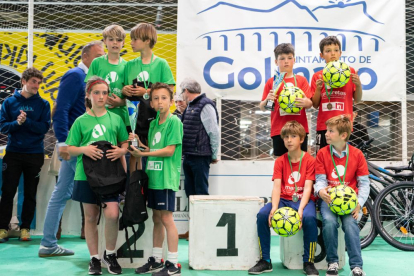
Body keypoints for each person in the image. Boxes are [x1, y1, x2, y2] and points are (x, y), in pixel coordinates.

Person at [39, 41, 105, 257]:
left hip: (81, 145)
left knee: (63, 192)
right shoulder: (75, 75)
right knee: (63, 193)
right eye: (98, 55)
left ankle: (48, 243)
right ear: (85, 56)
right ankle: (48, 243)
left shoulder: (88, 79)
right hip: (74, 146)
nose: (102, 60)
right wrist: (63, 143)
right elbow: (61, 110)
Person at [66, 76, 129, 275]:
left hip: (110, 175)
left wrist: (121, 151)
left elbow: (125, 143)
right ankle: (94, 258)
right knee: (91, 217)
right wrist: (84, 149)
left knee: (112, 214)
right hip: (85, 176)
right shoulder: (80, 121)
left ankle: (110, 254)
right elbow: (70, 149)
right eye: (96, 93)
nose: (101, 97)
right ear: (88, 95)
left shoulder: (116, 119)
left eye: (104, 93)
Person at [248, 121, 318, 276]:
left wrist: (300, 210)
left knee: (309, 218)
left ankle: (309, 262)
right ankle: (265, 260)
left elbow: (308, 188)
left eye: (293, 136)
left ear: (301, 139)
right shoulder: (280, 161)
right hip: (284, 199)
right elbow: (277, 187)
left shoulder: (310, 160)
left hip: (303, 201)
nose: (289, 140)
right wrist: (273, 207)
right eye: (286, 137)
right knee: (262, 215)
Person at [130, 83, 183, 276]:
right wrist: (138, 144)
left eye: (163, 98)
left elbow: (169, 151)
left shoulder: (174, 122)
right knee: (156, 218)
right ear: (151, 103)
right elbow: (151, 149)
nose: (159, 102)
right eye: (155, 98)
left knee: (167, 218)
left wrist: (145, 154)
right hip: (152, 177)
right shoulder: (153, 124)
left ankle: (174, 264)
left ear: (171, 101)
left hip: (166, 178)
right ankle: (156, 259)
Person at [314, 115, 369, 276]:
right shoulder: (323, 154)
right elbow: (320, 180)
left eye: (331, 131)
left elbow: (364, 184)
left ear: (343, 135)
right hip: (329, 199)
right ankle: (332, 262)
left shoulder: (357, 154)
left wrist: (359, 203)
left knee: (350, 225)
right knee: (329, 222)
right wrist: (321, 191)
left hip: (349, 202)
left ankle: (357, 266)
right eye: (327, 130)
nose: (326, 134)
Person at [0, 67, 51, 242]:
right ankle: (2, 228)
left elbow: (44, 129)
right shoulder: (8, 103)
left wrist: (26, 122)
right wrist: (16, 123)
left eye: (38, 82)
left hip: (34, 154)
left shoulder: (43, 104)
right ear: (23, 81)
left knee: (30, 193)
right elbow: (3, 127)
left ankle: (25, 228)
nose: (36, 85)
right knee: (7, 191)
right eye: (33, 82)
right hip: (13, 153)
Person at [178, 78, 219, 240]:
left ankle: (203, 231)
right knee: (191, 194)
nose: (182, 95)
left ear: (186, 91)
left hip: (200, 157)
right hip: (190, 155)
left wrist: (214, 154)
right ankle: (194, 229)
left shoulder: (205, 105)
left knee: (200, 193)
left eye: (182, 92)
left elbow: (213, 131)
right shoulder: (192, 106)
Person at [258, 43, 313, 157]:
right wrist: (267, 100)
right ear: (276, 62)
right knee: (281, 165)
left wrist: (306, 102)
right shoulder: (272, 82)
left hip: (300, 130)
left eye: (289, 58)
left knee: (300, 165)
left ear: (294, 60)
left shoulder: (301, 80)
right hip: (279, 130)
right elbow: (263, 107)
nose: (286, 61)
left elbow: (310, 103)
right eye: (282, 58)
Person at [311, 36, 363, 153]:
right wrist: (318, 89)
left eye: (336, 50)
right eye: (328, 51)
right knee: (323, 161)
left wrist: (358, 85)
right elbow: (315, 104)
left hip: (344, 127)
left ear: (340, 53)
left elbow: (358, 99)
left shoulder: (350, 72)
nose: (332, 54)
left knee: (344, 163)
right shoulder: (317, 76)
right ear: (322, 55)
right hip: (324, 127)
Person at [85, 24, 129, 131]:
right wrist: (88, 112)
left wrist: (121, 102)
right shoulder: (97, 63)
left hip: (121, 118)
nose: (115, 42)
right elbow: (87, 91)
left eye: (118, 40)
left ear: (123, 42)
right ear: (104, 41)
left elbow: (132, 97)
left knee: (121, 147)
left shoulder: (128, 66)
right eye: (111, 39)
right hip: (98, 116)